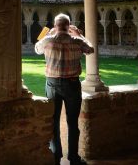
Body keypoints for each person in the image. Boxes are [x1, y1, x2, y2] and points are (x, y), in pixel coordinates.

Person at [35, 14, 93, 165]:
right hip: (72, 84)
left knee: (53, 122)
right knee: (72, 122)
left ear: (55, 26)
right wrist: (80, 35)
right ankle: (73, 157)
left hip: (52, 83)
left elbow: (37, 48)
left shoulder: (47, 41)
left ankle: (56, 157)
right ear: (69, 25)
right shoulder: (78, 41)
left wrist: (49, 34)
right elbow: (91, 49)